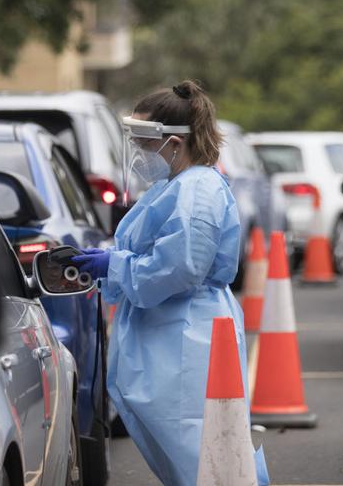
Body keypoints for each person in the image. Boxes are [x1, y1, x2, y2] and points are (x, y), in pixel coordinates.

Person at [72, 80, 267, 485]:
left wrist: (115, 265)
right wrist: (115, 263)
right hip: (174, 334)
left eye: (144, 140)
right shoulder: (176, 187)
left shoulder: (196, 192)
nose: (139, 153)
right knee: (199, 460)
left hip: (187, 338)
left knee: (206, 458)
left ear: (175, 143)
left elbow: (181, 268)